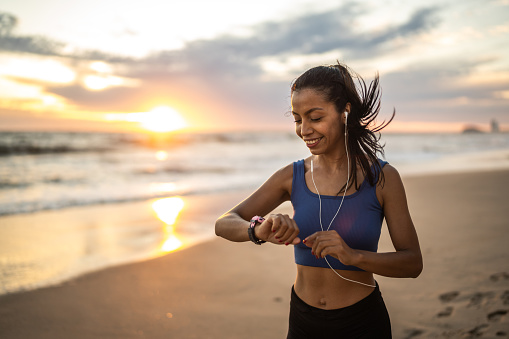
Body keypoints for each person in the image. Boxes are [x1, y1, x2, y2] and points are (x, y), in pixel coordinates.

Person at [215, 62, 422, 338]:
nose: (304, 130)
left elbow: (412, 263)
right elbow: (224, 222)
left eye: (315, 117)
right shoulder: (293, 175)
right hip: (303, 321)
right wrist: (258, 229)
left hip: (361, 321)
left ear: (344, 112)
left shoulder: (383, 178)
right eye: (298, 119)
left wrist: (353, 256)